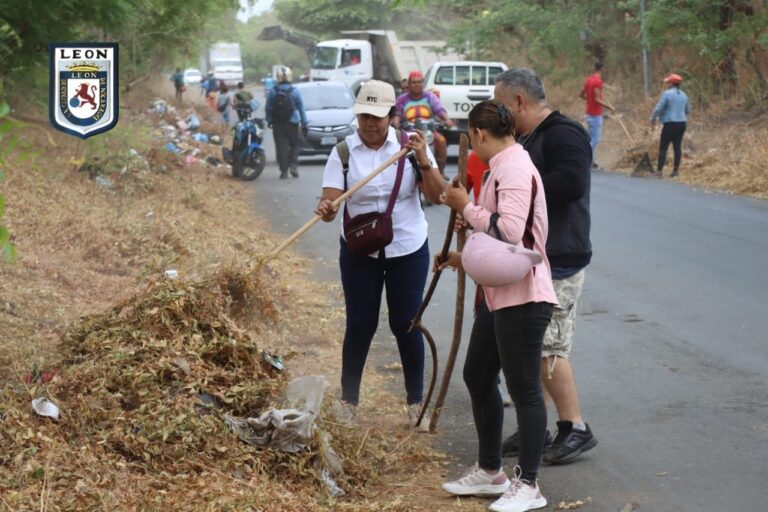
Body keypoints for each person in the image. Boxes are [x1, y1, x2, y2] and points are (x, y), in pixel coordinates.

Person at [438, 99, 557, 512]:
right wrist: (465, 231)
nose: (472, 146)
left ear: (480, 135)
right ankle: (491, 471)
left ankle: (529, 484)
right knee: (478, 374)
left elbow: (508, 231)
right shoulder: (498, 167)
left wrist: (466, 208)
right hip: (497, 294)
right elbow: (492, 228)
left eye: (471, 139)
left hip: (524, 296)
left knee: (524, 389)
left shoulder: (515, 167)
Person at [314, 80, 445, 426]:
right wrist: (327, 208)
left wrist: (423, 160)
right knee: (360, 324)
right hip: (360, 251)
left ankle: (416, 402)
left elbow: (436, 195)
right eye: (363, 117)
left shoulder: (411, 146)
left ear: (392, 115)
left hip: (407, 246)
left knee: (406, 323)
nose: (370, 124)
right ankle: (349, 402)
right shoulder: (343, 152)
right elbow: (331, 198)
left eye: (377, 116)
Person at [495, 68, 597, 465]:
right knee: (528, 346)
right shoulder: (526, 137)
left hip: (561, 257)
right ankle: (536, 424)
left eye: (502, 105)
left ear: (519, 101)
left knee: (549, 347)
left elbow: (572, 183)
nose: (500, 114)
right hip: (532, 257)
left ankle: (576, 428)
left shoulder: (564, 133)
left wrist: (520, 191)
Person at [465, 150, 514, 408]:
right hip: (483, 250)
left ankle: (507, 379)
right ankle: (492, 380)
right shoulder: (474, 159)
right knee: (485, 314)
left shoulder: (514, 161)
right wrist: (464, 215)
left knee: (508, 323)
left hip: (510, 254)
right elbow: (466, 198)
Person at [393, 70, 455, 175]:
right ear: (409, 84)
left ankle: (440, 172)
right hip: (409, 132)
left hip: (429, 131)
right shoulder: (402, 99)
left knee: (441, 141)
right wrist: (396, 123)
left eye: (419, 82)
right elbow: (397, 114)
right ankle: (399, 172)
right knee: (397, 145)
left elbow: (439, 110)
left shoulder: (430, 97)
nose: (417, 84)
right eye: (414, 82)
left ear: (423, 83)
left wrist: (447, 120)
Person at [265, 67, 307, 179]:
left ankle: (283, 171)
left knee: (281, 147)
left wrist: (269, 120)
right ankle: (293, 165)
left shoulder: (273, 91)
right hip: (292, 122)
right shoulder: (295, 91)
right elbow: (301, 108)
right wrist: (304, 122)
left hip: (278, 123)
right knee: (295, 144)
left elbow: (268, 107)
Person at [651, 73, 690, 178]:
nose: (667, 84)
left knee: (663, 147)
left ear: (672, 83)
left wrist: (653, 118)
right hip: (682, 124)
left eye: (668, 82)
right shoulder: (684, 95)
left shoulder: (667, 94)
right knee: (677, 147)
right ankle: (675, 171)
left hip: (669, 124)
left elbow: (658, 108)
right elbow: (688, 110)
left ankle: (659, 172)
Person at [580, 62, 615, 169]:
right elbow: (597, 99)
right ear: (602, 69)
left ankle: (591, 161)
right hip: (595, 114)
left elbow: (581, 95)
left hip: (588, 113)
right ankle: (585, 160)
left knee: (591, 139)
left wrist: (589, 100)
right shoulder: (597, 81)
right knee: (595, 139)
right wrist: (610, 107)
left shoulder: (588, 80)